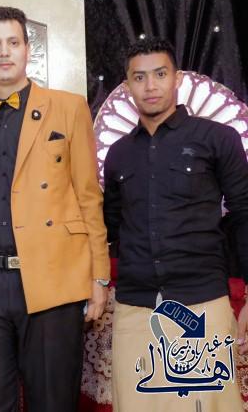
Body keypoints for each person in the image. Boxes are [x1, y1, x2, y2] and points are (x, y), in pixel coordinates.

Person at [0, 6, 110, 412]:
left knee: (52, 401)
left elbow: (89, 196)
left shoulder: (69, 108)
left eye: (13, 42)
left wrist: (99, 277)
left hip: (52, 277)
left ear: (27, 49)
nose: (4, 52)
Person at [104, 37, 247, 411]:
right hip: (136, 305)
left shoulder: (217, 139)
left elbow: (244, 213)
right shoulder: (118, 155)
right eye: (139, 77)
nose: (150, 86)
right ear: (127, 85)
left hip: (202, 301)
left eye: (160, 74)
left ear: (177, 78)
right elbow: (110, 228)